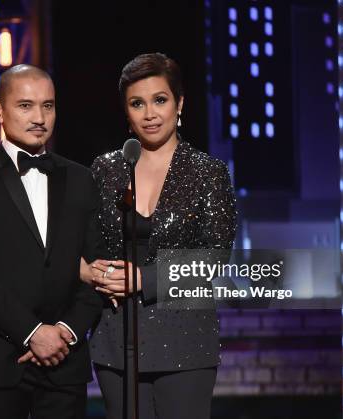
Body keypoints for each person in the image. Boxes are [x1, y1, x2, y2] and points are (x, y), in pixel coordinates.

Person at [81, 53, 237, 419]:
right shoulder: (105, 169)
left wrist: (143, 280)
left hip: (185, 344)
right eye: (137, 103)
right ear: (126, 112)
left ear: (179, 104)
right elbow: (80, 244)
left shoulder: (208, 172)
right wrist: (89, 272)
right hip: (115, 342)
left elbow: (214, 257)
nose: (149, 113)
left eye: (160, 100)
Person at [0, 64, 105, 419]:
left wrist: (65, 331)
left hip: (66, 361)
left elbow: (97, 269)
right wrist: (32, 333)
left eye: (48, 106)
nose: (39, 117)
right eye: (26, 106)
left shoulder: (81, 179)